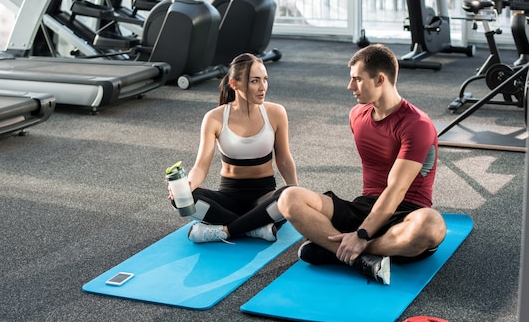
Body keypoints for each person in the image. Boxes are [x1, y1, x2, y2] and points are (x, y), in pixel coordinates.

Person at [277, 44, 446, 285]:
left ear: (380, 79)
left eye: (357, 79)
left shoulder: (417, 124)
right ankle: (359, 258)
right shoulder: (357, 115)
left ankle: (340, 249)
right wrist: (359, 230)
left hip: (405, 213)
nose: (350, 87)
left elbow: (396, 190)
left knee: (432, 225)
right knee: (289, 197)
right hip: (364, 207)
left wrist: (362, 234)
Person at [169, 53, 298, 243]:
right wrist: (186, 188)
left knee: (289, 197)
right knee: (180, 200)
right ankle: (254, 228)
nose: (263, 87)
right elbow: (201, 166)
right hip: (228, 199)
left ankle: (226, 229)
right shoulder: (214, 118)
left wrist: (295, 192)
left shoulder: (276, 113)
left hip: (264, 197)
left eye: (265, 80)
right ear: (234, 84)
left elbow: (284, 159)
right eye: (255, 81)